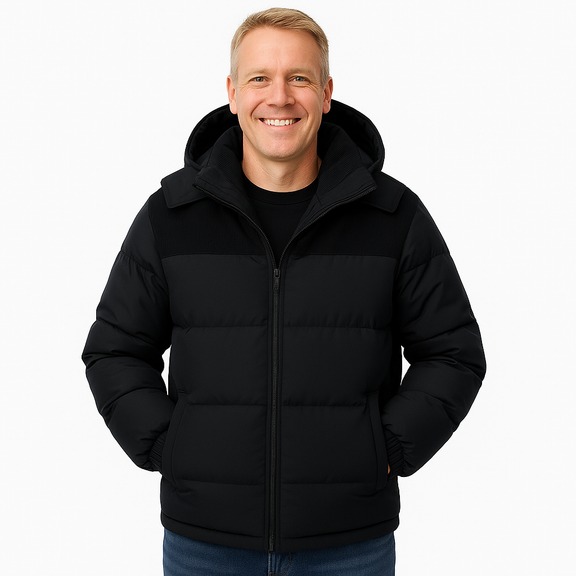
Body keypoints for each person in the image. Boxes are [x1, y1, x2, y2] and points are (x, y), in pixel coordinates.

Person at [82, 7, 486, 575]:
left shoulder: (394, 217)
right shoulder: (171, 217)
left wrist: (388, 449)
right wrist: (169, 447)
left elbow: (454, 353)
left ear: (326, 93)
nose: (279, 97)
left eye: (299, 77)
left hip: (349, 545)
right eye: (259, 78)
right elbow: (114, 350)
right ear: (232, 94)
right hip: (206, 545)